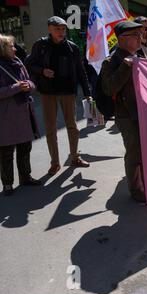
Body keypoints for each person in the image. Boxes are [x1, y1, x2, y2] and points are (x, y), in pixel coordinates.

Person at [25, 16, 92, 176]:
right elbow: (29, 64)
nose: (61, 32)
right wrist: (42, 71)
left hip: (68, 91)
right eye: (57, 29)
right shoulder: (40, 45)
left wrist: (88, 93)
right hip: (48, 92)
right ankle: (55, 163)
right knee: (50, 129)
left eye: (63, 29)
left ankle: (75, 157)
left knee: (73, 126)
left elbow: (81, 71)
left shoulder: (72, 47)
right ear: (49, 29)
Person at [100, 21, 146, 203]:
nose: (140, 38)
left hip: (144, 112)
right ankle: (137, 190)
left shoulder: (141, 55)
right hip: (127, 115)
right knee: (135, 152)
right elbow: (109, 87)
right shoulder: (111, 61)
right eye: (136, 35)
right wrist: (125, 67)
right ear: (122, 39)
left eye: (139, 35)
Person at [0, 34, 41, 196]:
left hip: (24, 113)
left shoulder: (18, 63)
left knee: (25, 147)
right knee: (6, 152)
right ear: (3, 49)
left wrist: (28, 85)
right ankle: (7, 184)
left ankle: (25, 177)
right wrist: (17, 88)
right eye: (11, 46)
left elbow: (30, 82)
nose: (15, 49)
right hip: (6, 117)